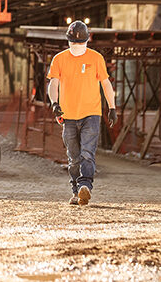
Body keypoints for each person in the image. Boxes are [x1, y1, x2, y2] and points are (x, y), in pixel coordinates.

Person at [47, 20, 117, 206]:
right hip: (68, 116)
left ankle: (85, 186)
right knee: (74, 157)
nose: (77, 46)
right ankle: (76, 192)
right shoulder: (59, 59)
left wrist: (112, 107)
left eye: (80, 42)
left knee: (87, 152)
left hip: (91, 114)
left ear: (87, 41)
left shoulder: (96, 58)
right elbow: (53, 83)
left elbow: (106, 83)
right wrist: (54, 104)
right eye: (74, 42)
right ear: (68, 41)